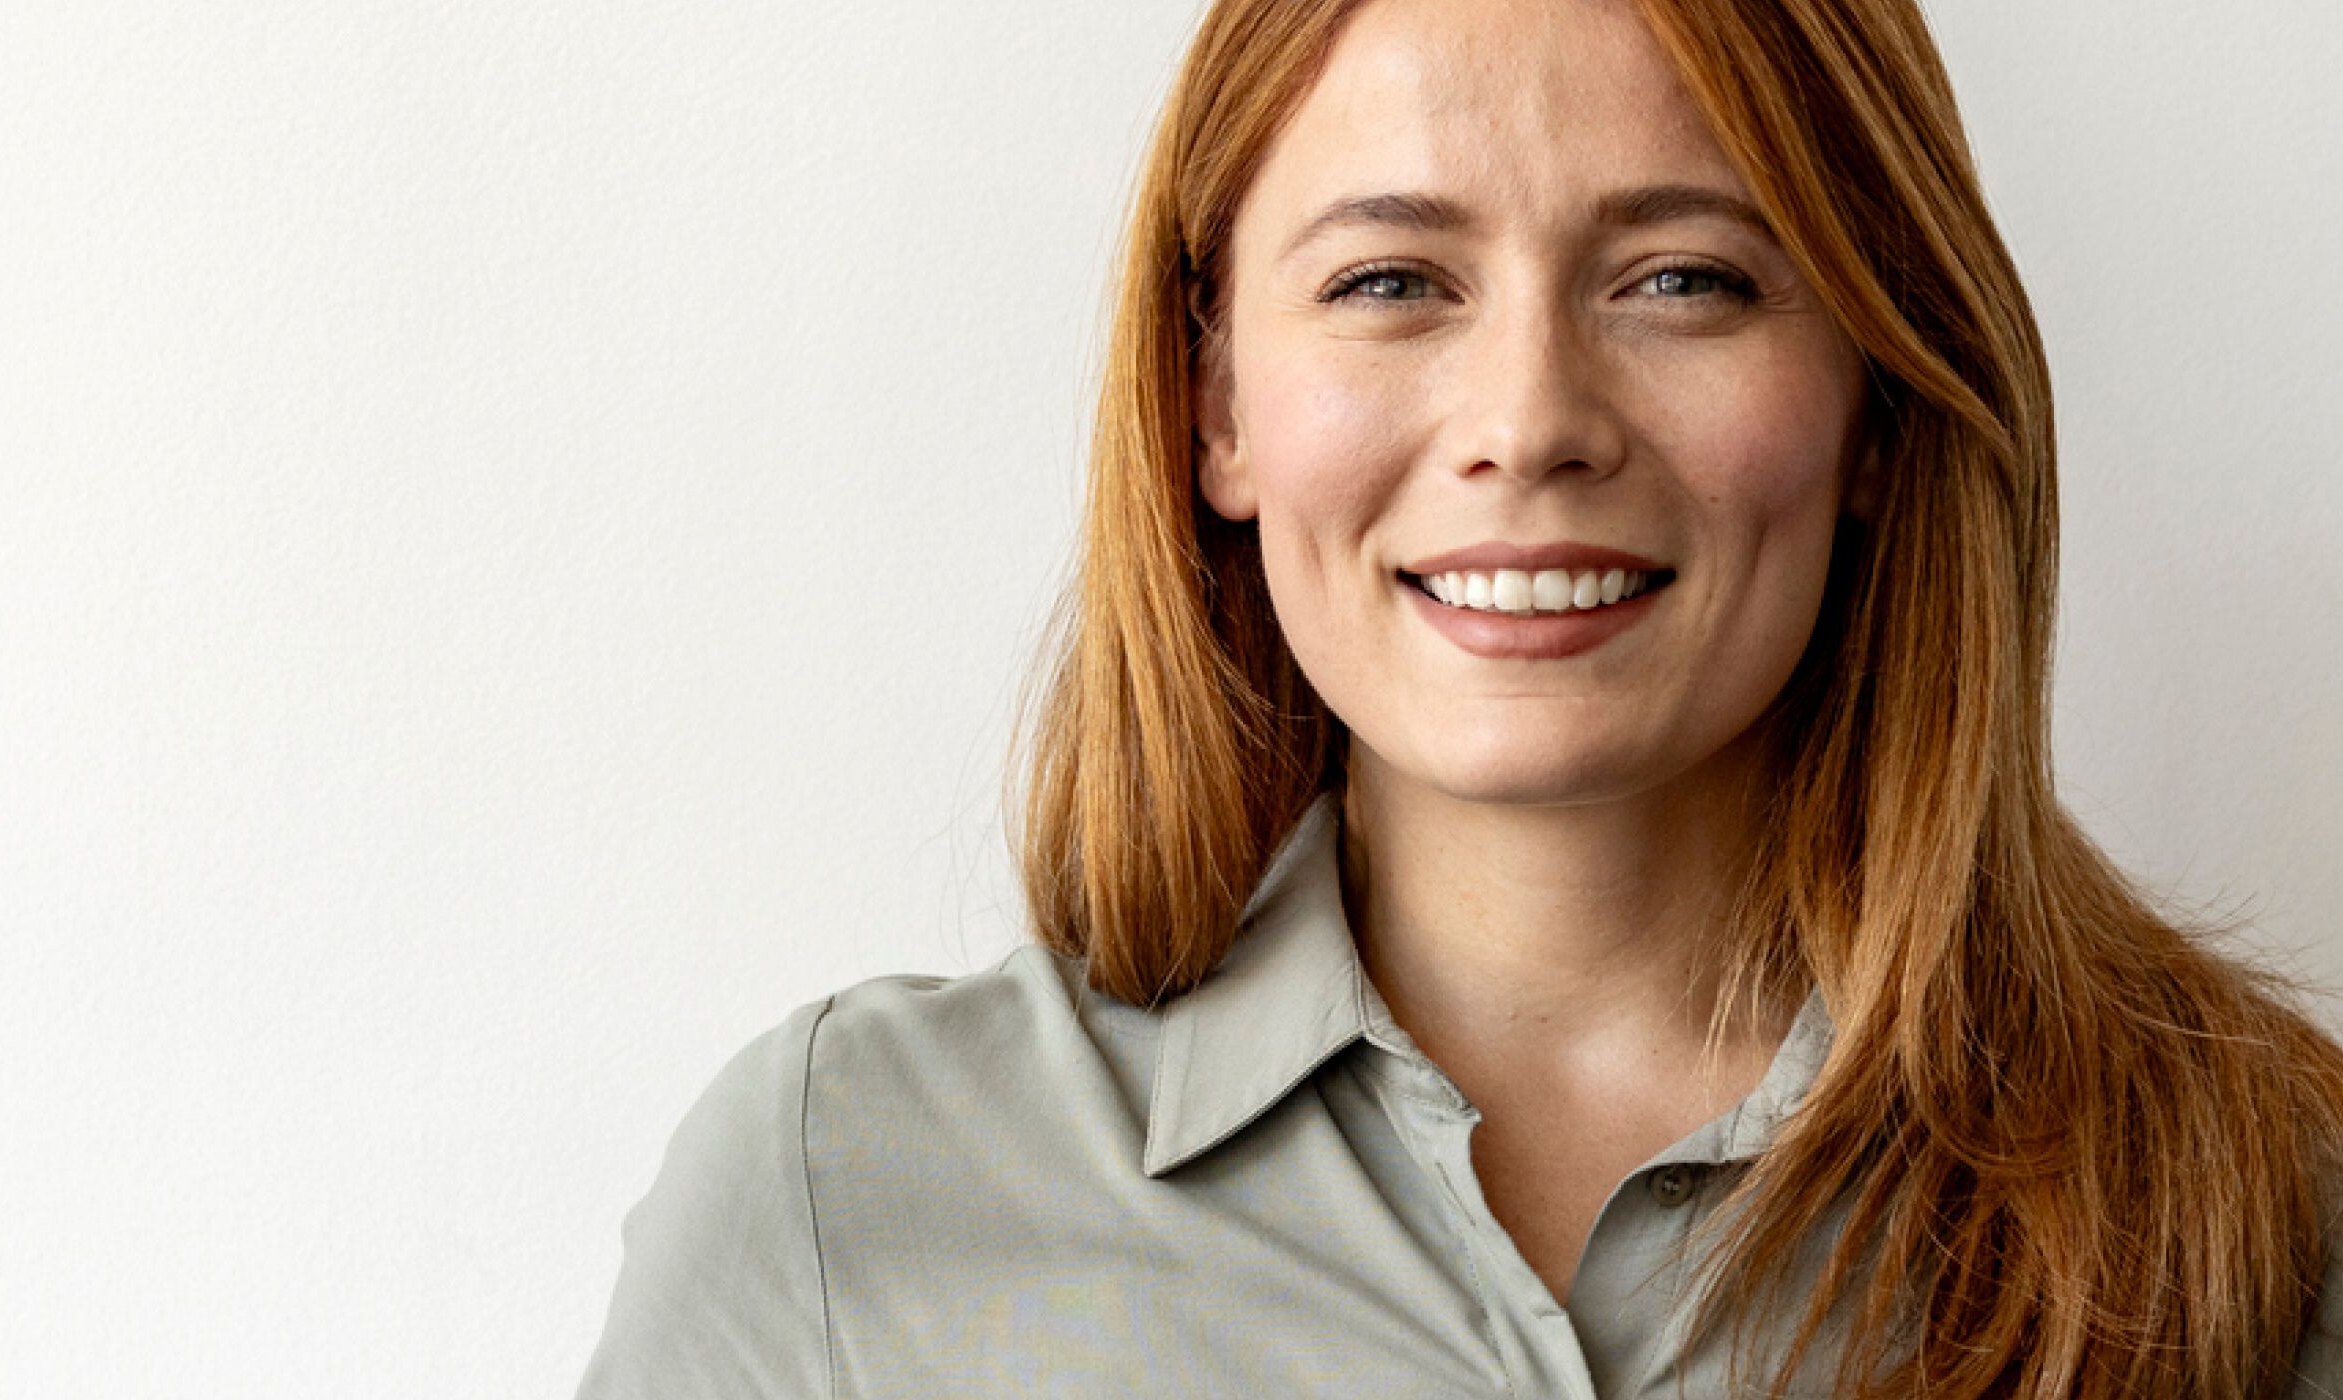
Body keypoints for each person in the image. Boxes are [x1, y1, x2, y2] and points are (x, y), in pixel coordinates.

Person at [577, 0, 2343, 1393]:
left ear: (1876, 393)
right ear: (1218, 407)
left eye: (1683, 279)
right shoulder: (844, 1195)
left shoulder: (2279, 1207)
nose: (1531, 418)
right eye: (1392, 283)